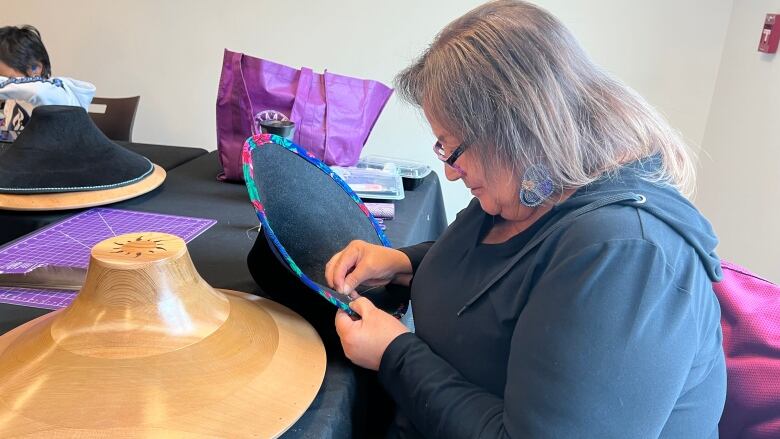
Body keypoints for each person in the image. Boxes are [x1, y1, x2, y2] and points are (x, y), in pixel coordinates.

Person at [325, 1, 726, 438]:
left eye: (452, 149)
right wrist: (404, 263)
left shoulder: (627, 257)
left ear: (516, 131)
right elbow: (500, 266)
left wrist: (395, 354)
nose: (449, 171)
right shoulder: (530, 185)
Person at [0, 25, 95, 132]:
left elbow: (37, 91)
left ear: (34, 68)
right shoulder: (13, 98)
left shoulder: (57, 95)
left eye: (6, 79)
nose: (6, 83)